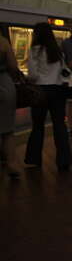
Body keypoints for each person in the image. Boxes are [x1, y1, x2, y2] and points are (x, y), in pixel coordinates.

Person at [25, 23, 72, 172]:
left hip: (40, 91)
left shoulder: (34, 51)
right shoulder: (57, 51)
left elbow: (33, 75)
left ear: (37, 34)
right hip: (57, 91)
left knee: (38, 126)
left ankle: (34, 160)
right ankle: (64, 161)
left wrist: (27, 78)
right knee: (59, 125)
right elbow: (64, 72)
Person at [0, 34, 21, 178]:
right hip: (4, 84)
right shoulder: (3, 42)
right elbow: (13, 66)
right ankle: (12, 164)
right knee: (7, 130)